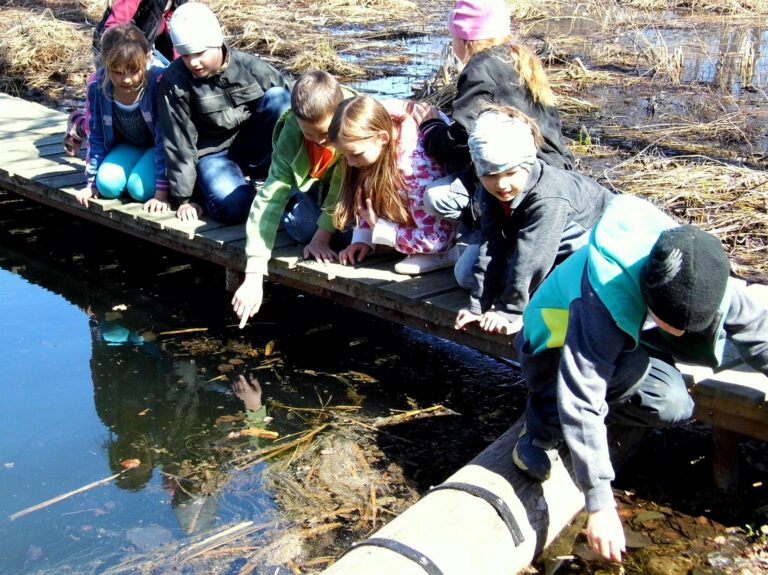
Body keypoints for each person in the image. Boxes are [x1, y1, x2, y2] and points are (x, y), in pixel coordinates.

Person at [512, 194, 768, 562]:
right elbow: (582, 396)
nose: (683, 334)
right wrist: (599, 504)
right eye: (675, 324)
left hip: (632, 334)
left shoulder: (698, 266)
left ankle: (612, 398)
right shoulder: (601, 297)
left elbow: (758, 324)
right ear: (649, 293)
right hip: (553, 347)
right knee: (664, 400)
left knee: (681, 396)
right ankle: (541, 422)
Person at [453, 106, 614, 335]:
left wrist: (510, 311)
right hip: (540, 244)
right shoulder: (489, 191)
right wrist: (478, 306)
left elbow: (532, 259)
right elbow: (491, 244)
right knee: (467, 273)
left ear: (528, 164)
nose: (501, 185)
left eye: (510, 173)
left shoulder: (548, 196)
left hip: (596, 246)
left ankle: (535, 299)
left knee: (578, 287)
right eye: (490, 176)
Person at [419, 0, 574, 236]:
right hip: (553, 168)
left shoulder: (480, 69)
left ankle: (486, 237)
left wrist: (431, 128)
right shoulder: (518, 58)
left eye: (453, 38)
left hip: (520, 177)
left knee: (436, 196)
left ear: (464, 39)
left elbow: (464, 139)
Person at [232, 71, 354, 328]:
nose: (322, 141)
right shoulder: (291, 134)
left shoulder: (350, 120)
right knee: (305, 226)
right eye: (311, 135)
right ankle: (294, 209)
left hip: (347, 189)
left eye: (327, 134)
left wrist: (322, 238)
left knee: (344, 234)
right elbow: (270, 197)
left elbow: (341, 186)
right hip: (308, 186)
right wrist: (254, 273)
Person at [157, 2, 292, 223]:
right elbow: (178, 141)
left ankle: (269, 179)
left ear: (217, 43)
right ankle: (217, 190)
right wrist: (184, 198)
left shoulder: (249, 66)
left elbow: (299, 105)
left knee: (280, 99)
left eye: (199, 53)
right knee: (234, 207)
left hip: (254, 147)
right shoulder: (174, 82)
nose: (193, 62)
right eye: (185, 55)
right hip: (213, 155)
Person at [328, 95, 456, 275]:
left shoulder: (416, 169)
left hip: (436, 235)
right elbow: (366, 192)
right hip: (407, 206)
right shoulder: (370, 141)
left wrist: (381, 228)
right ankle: (406, 239)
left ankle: (442, 254)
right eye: (345, 155)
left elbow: (436, 238)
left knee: (436, 235)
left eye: (355, 154)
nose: (349, 162)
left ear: (382, 138)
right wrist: (363, 237)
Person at [63, 0, 187, 157]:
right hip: (115, 52)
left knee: (140, 112)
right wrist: (123, 59)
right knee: (108, 115)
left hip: (142, 55)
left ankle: (143, 150)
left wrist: (180, 71)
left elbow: (177, 34)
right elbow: (114, 26)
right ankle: (79, 125)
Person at [76, 23, 169, 209]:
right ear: (105, 62)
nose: (126, 80)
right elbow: (96, 135)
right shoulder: (97, 85)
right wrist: (91, 182)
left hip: (158, 146)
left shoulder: (158, 83)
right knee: (107, 186)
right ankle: (78, 122)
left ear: (147, 57)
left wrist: (162, 192)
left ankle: (144, 170)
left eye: (134, 71)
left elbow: (165, 139)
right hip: (128, 143)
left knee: (141, 190)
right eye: (117, 72)